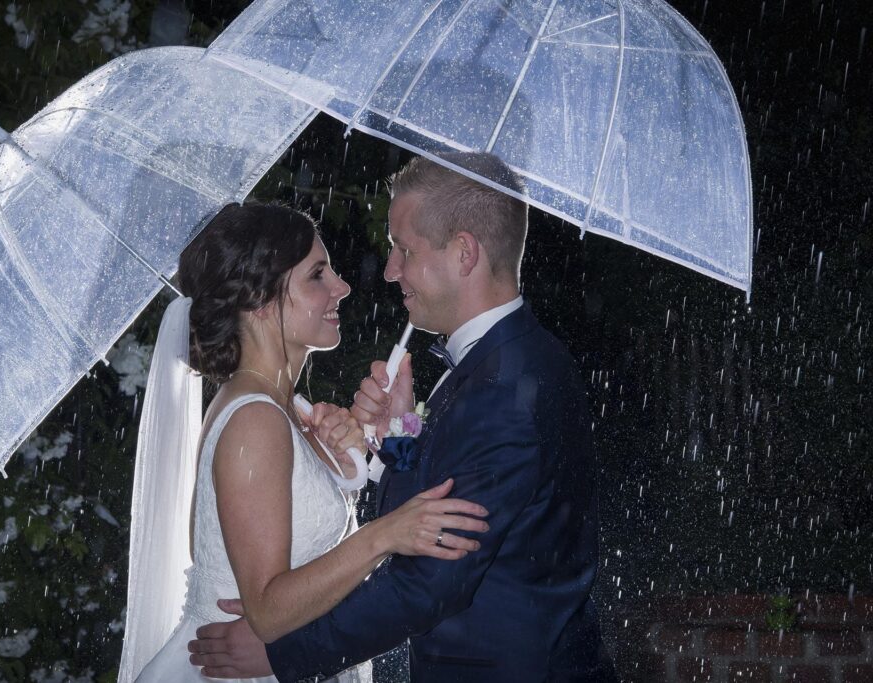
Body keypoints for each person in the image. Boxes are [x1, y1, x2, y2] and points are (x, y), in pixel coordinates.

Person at [187, 155, 616, 682]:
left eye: (403, 250)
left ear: (464, 253)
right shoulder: (496, 367)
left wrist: (284, 656)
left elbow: (432, 580)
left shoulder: (505, 387)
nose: (387, 271)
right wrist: (398, 435)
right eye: (319, 274)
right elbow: (418, 514)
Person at [119, 203, 489, 682]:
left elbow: (331, 533)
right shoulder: (255, 420)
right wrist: (386, 534)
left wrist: (395, 428)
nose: (342, 287)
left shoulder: (289, 409)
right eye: (318, 275)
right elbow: (270, 611)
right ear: (261, 300)